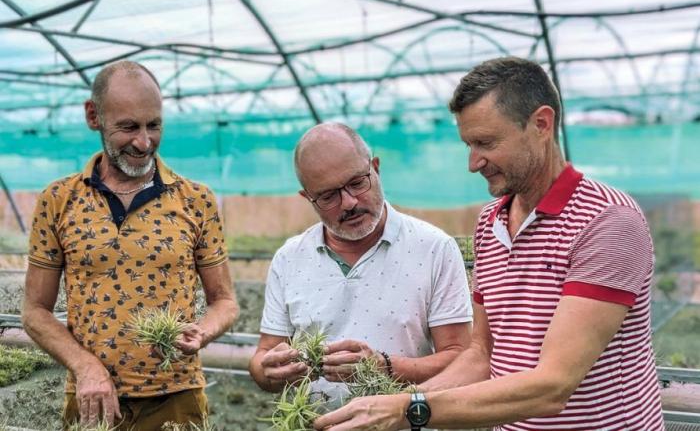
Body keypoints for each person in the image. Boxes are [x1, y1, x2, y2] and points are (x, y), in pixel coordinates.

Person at [314, 57, 664, 430]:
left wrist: (409, 410)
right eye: (468, 143)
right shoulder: (490, 222)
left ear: (541, 124)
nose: (473, 162)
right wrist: (407, 404)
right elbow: (481, 353)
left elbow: (554, 386)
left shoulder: (607, 221)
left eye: (486, 142)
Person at [23, 60, 239, 430]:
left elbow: (226, 301)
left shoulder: (196, 199)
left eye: (153, 125)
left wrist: (202, 331)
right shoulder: (58, 200)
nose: (144, 142)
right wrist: (85, 366)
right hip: (92, 399)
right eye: (128, 127)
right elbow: (34, 311)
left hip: (176, 397)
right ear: (94, 116)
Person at [248, 122, 473, 407]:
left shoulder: (434, 248)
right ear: (308, 197)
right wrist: (267, 371)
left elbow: (461, 357)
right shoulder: (289, 258)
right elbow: (263, 356)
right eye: (329, 196)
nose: (349, 202)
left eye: (357, 183)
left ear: (376, 168)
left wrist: (384, 366)